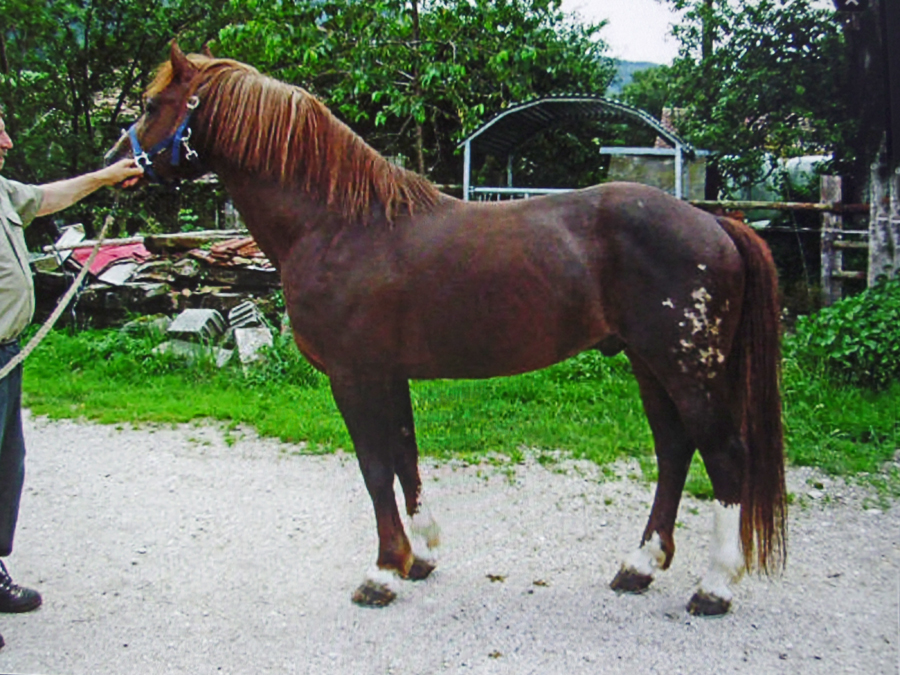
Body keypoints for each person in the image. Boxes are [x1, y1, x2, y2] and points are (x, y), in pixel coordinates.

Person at [0, 107, 143, 648]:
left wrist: (107, 177)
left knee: (6, 466)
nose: (9, 141)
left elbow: (47, 196)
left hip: (7, 358)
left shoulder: (2, 192)